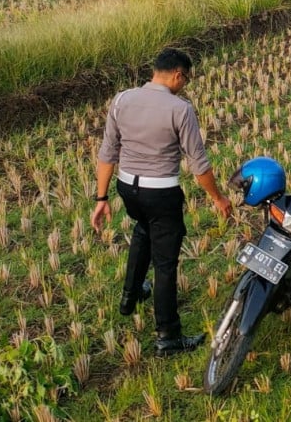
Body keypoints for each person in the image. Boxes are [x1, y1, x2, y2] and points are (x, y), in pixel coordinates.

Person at [90, 48, 233, 356]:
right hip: (161, 193)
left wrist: (101, 198)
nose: (185, 85)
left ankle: (131, 295)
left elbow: (107, 153)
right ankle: (168, 336)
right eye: (187, 80)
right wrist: (218, 198)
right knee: (165, 264)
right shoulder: (180, 109)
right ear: (178, 75)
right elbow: (199, 165)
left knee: (143, 229)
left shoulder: (122, 99)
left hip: (127, 188)